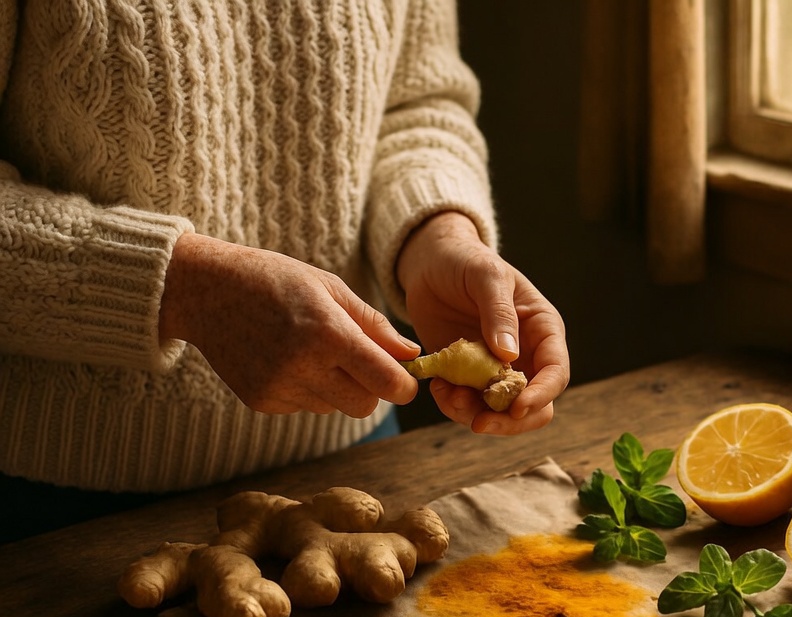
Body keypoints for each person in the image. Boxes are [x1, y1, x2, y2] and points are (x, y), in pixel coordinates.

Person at [0, 1, 570, 543]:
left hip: (357, 473)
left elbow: (415, 105)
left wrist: (436, 237)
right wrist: (184, 289)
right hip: (58, 510)